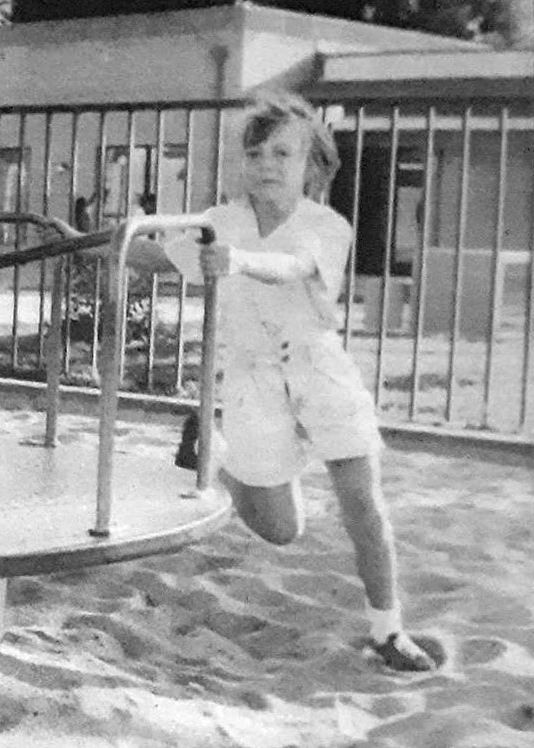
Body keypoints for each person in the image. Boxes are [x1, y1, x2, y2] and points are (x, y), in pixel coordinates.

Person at [186, 91, 436, 672]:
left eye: (283, 153)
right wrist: (97, 241)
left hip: (317, 368)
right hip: (253, 378)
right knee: (280, 530)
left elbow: (294, 265)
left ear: (312, 167)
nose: (267, 164)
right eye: (255, 153)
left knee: (363, 504)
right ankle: (212, 449)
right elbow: (160, 254)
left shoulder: (325, 225)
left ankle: (388, 628)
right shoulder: (219, 222)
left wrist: (239, 261)